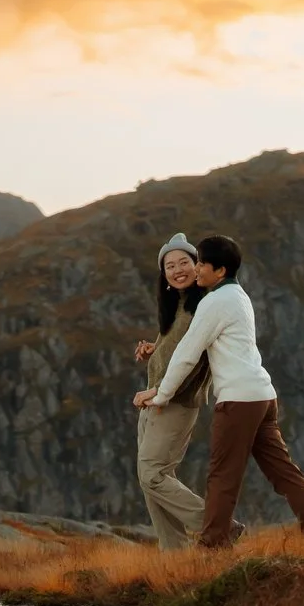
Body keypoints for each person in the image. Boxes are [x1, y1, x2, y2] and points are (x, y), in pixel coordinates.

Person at [132, 233, 304, 549]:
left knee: (222, 477)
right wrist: (156, 351)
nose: (195, 269)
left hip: (239, 400)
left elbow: (186, 355)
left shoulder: (213, 302)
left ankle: (213, 543)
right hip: (263, 396)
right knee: (284, 473)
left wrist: (160, 394)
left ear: (219, 270)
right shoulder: (238, 296)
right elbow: (185, 346)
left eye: (199, 263)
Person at [131, 234, 212, 548]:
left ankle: (217, 527)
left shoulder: (205, 305)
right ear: (163, 274)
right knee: (151, 481)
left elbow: (193, 358)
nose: (177, 270)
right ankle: (175, 558)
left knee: (152, 475)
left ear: (197, 266)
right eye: (169, 265)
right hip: (154, 398)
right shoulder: (176, 305)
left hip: (176, 401)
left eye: (184, 262)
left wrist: (160, 392)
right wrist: (155, 350)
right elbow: (176, 348)